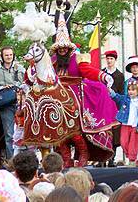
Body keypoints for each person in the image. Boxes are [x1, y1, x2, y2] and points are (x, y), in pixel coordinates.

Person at [50, 11, 118, 167]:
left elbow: (88, 71)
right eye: (59, 48)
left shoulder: (77, 58)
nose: (62, 50)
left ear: (68, 48)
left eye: (64, 47)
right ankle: (66, 158)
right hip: (56, 98)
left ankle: (83, 153)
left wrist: (103, 76)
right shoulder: (52, 61)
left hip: (74, 98)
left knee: (74, 130)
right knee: (59, 130)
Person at [0, 46, 25, 160]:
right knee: (9, 135)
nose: (9, 57)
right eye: (6, 55)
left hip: (21, 106)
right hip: (6, 106)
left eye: (10, 55)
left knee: (23, 134)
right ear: (2, 57)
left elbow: (28, 84)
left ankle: (24, 161)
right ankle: (12, 162)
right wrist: (2, 88)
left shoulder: (21, 69)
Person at [109, 78, 138, 167]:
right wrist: (111, 91)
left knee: (133, 143)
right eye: (129, 89)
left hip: (135, 126)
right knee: (123, 142)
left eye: (133, 90)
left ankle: (132, 160)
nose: (131, 92)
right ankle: (132, 158)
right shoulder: (125, 99)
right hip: (126, 124)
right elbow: (116, 97)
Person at [98, 50, 125, 168]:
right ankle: (101, 160)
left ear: (115, 60)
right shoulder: (101, 73)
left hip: (114, 107)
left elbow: (122, 93)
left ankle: (111, 159)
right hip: (102, 107)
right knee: (101, 131)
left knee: (114, 133)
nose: (109, 61)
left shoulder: (119, 75)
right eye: (107, 58)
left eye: (111, 59)